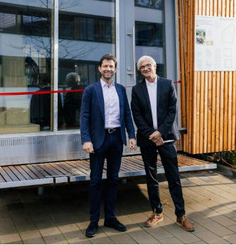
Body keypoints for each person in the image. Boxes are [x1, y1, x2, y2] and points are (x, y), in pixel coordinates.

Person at [130, 55, 195, 232]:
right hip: (147, 139)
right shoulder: (137, 90)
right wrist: (152, 134)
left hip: (166, 138)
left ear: (155, 66)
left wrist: (161, 133)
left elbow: (172, 110)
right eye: (142, 67)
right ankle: (157, 212)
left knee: (173, 177)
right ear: (139, 71)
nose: (145, 68)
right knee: (151, 178)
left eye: (148, 65)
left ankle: (181, 215)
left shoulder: (167, 84)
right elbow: (137, 115)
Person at [79, 54, 137, 238]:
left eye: (111, 66)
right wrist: (85, 139)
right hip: (98, 141)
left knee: (113, 180)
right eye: (105, 66)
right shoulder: (91, 90)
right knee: (95, 181)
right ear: (99, 68)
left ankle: (110, 217)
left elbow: (127, 114)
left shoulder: (120, 89)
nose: (108, 69)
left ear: (115, 69)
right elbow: (84, 117)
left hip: (116, 140)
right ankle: (93, 221)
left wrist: (132, 135)